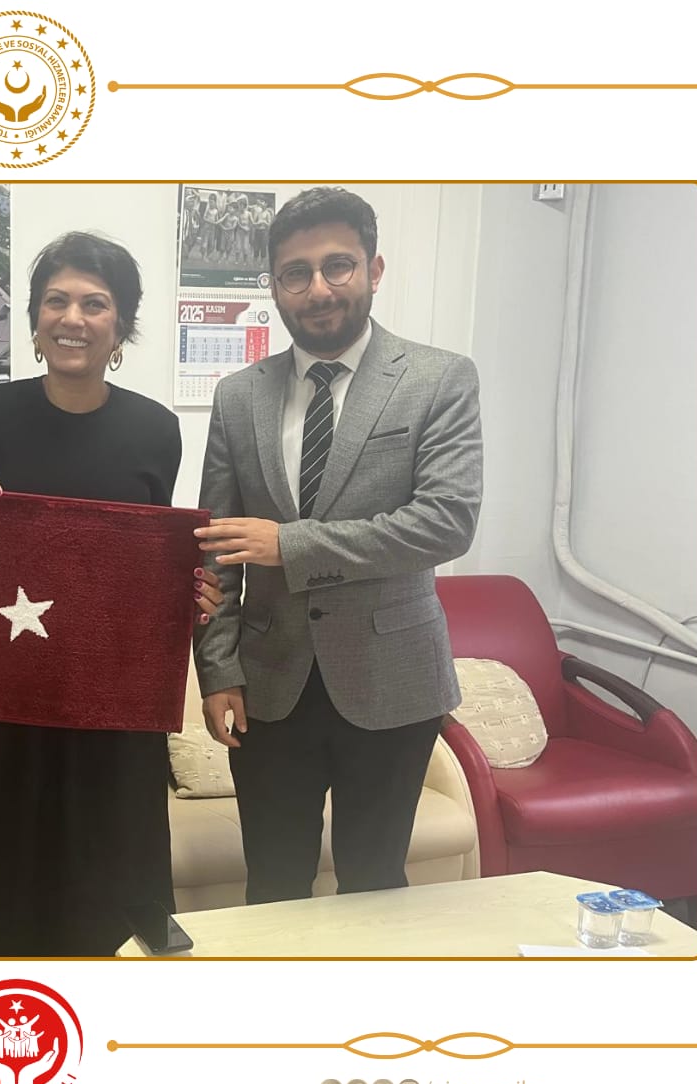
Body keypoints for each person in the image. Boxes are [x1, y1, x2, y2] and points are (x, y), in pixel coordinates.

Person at [0, 231, 223, 956]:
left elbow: (149, 559)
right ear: (34, 318)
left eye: (95, 303)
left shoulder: (156, 429)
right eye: (56, 301)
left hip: (112, 697)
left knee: (108, 892)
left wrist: (189, 590)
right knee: (8, 878)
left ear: (122, 324)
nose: (73, 318)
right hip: (8, 688)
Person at [193, 187, 483, 905]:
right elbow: (215, 550)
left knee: (376, 885)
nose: (318, 289)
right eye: (296, 273)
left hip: (394, 681)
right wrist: (218, 669)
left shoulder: (438, 379)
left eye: (338, 266)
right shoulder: (238, 396)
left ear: (373, 269)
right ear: (274, 286)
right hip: (269, 686)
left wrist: (291, 545)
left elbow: (445, 522)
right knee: (273, 885)